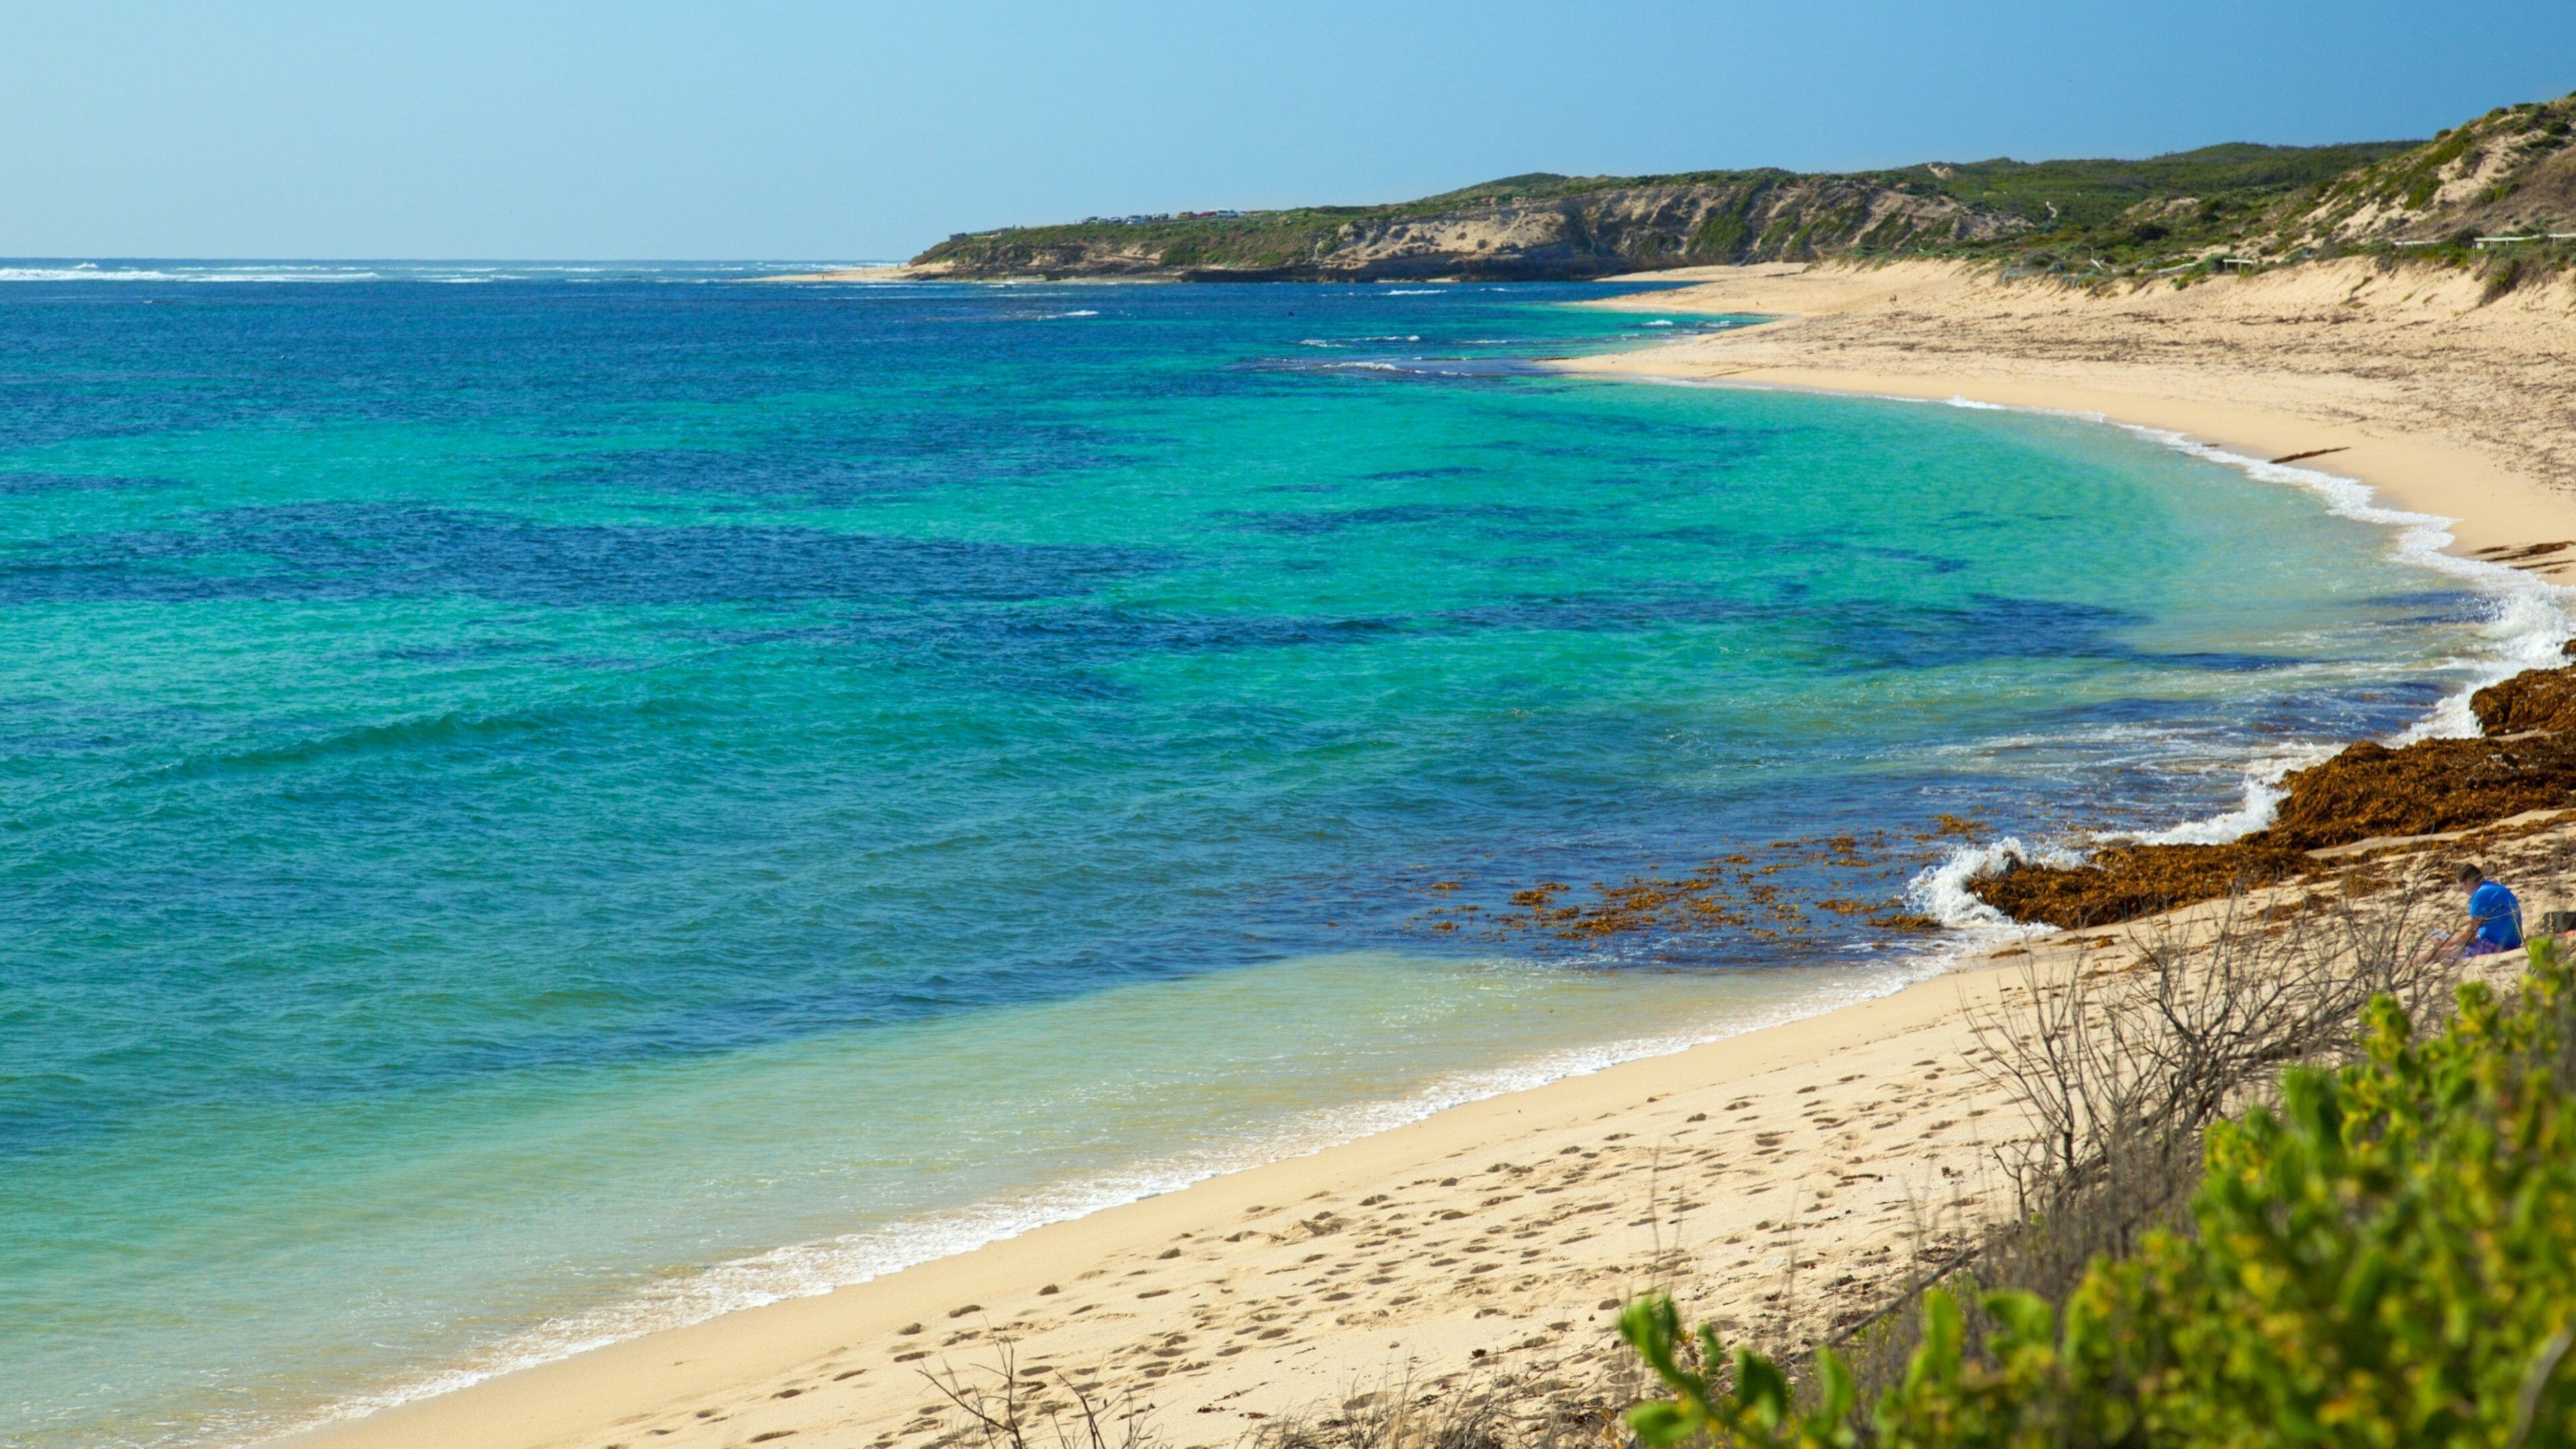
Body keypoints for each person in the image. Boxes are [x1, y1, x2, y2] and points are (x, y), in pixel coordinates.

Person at [2430, 862, 2522, 959]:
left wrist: (2446, 943)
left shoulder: (2480, 895)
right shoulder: (2495, 888)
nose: (2464, 892)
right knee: (2438, 934)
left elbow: (2470, 936)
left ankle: (2413, 962)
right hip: (2513, 942)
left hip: (2498, 946)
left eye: (2462, 888)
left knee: (2438, 953)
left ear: (2466, 883)